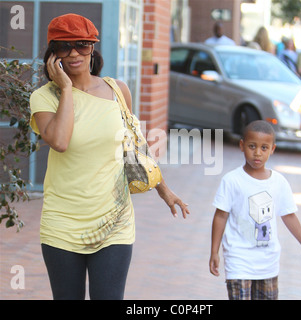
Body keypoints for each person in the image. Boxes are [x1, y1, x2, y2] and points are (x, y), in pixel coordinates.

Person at [29, 13, 190, 300]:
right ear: (53, 54)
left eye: (82, 44)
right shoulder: (45, 97)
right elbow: (60, 141)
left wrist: (164, 190)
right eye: (65, 47)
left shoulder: (118, 90)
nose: (75, 53)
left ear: (93, 47)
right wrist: (66, 88)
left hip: (115, 222)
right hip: (63, 224)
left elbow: (135, 147)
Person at [209, 120, 301, 300]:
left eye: (264, 148)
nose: (257, 153)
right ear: (241, 145)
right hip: (239, 260)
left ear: (272, 149)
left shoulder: (279, 182)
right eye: (252, 146)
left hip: (268, 262)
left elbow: (289, 215)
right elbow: (220, 216)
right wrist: (214, 251)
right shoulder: (232, 180)